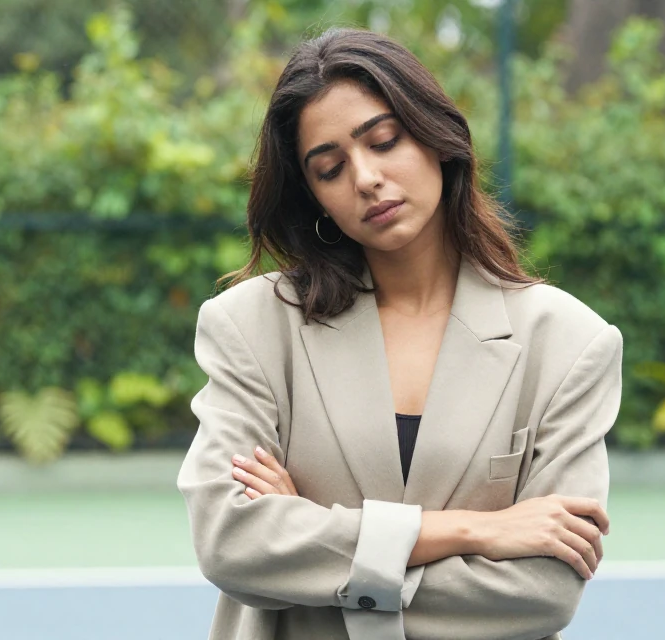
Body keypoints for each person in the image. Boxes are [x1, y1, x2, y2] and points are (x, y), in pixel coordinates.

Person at [177, 27, 622, 640]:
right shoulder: (252, 327)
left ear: (437, 137)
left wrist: (308, 531)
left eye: (384, 141)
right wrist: (473, 530)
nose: (365, 178)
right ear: (315, 197)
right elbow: (232, 545)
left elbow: (543, 592)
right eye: (330, 169)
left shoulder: (569, 342)